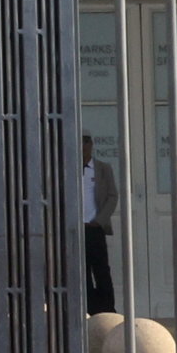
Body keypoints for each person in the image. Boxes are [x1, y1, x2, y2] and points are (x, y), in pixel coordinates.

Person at [77, 132, 116, 319]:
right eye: (79, 142)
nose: (83, 146)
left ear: (91, 144)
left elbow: (112, 195)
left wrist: (100, 220)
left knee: (101, 270)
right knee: (82, 271)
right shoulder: (68, 168)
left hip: (95, 227)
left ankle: (108, 310)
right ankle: (89, 309)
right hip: (76, 229)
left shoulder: (102, 168)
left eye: (86, 142)